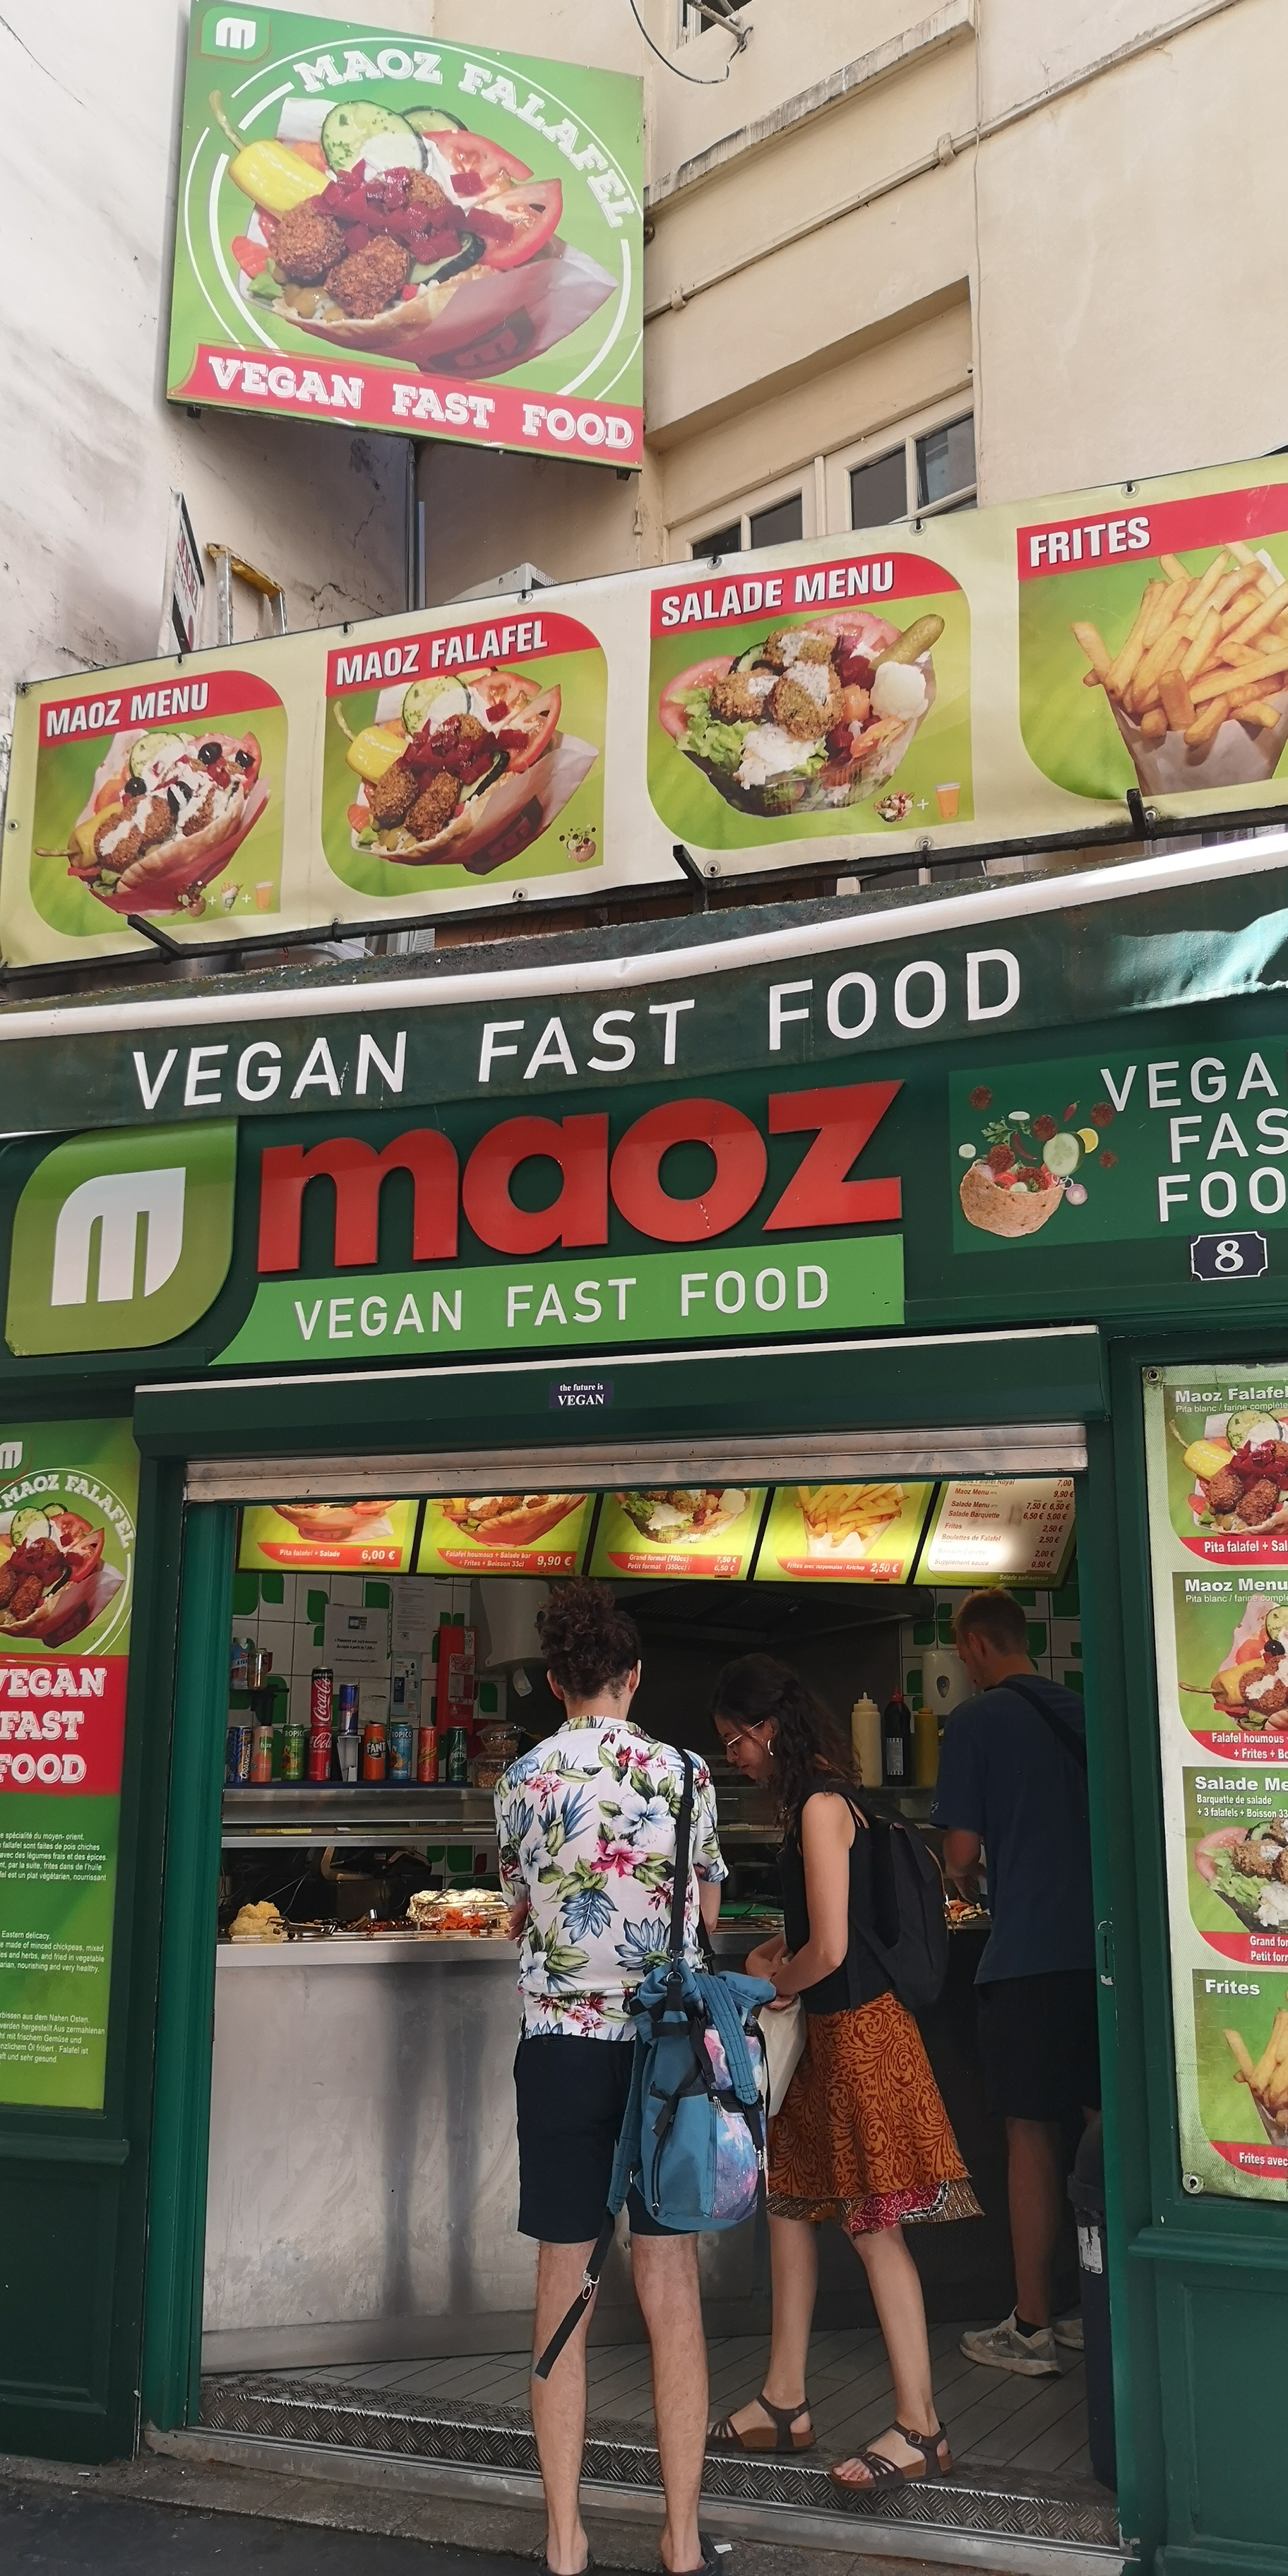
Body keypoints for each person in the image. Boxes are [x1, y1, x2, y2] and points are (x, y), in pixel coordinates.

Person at [494, 1580, 728, 2576]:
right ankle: (681, 2540)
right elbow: (707, 1910)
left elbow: (517, 1905)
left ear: (556, 1683)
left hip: (559, 2052)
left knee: (563, 2282)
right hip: (664, 2057)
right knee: (670, 2285)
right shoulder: (686, 1773)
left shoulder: (521, 1780)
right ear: (635, 1676)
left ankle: (564, 2541)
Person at [710, 1654, 979, 2492]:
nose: (734, 1758)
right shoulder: (830, 1802)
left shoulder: (822, 1808)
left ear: (767, 1729)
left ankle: (921, 2428)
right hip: (829, 2039)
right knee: (791, 2204)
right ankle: (784, 2401)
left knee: (873, 2224)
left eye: (735, 1741)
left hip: (860, 2037)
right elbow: (830, 1931)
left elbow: (828, 1950)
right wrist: (777, 1955)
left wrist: (769, 1984)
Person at [931, 1587, 1100, 2378]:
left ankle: (1031, 2324)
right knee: (1100, 2130)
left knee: (1030, 2135)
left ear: (972, 1647)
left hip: (1028, 1955)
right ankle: (1098, 2308)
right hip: (1102, 1954)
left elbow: (960, 1854)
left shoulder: (975, 1721)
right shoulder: (1083, 1712)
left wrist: (960, 1874)